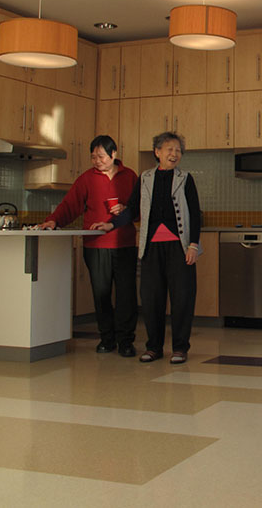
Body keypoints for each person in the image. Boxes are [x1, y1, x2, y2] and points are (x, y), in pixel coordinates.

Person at [93, 131, 202, 365]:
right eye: (169, 149)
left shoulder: (186, 178)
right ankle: (154, 347)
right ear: (157, 152)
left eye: (178, 151)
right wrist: (111, 224)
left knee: (182, 298)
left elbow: (195, 214)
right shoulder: (145, 178)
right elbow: (132, 210)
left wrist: (193, 245)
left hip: (179, 247)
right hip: (151, 247)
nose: (174, 154)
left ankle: (180, 348)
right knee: (152, 298)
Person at [39, 135, 138, 357]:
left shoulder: (130, 176)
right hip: (95, 245)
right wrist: (54, 220)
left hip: (125, 244)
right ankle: (107, 338)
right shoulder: (86, 179)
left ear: (114, 155)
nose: (97, 161)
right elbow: (70, 205)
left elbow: (139, 208)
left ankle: (126, 341)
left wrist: (124, 208)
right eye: (93, 157)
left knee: (126, 294)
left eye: (101, 156)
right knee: (101, 294)